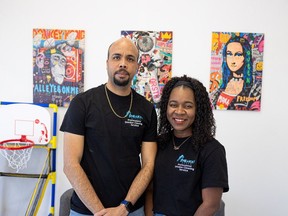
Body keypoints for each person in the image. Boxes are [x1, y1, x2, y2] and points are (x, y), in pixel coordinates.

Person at [60, 37, 158, 216]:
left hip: (131, 209)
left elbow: (149, 165)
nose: (122, 64)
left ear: (137, 66)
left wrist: (124, 207)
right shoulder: (82, 103)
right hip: (87, 210)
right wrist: (100, 212)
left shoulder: (147, 109)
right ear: (107, 63)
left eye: (129, 59)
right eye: (116, 57)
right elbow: (70, 164)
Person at [145, 75, 229, 216]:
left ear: (198, 109)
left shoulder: (212, 150)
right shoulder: (159, 143)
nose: (179, 111)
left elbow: (211, 205)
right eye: (173, 104)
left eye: (188, 106)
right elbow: (149, 190)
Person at [210, 35, 261, 110]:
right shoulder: (219, 89)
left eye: (238, 54)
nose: (233, 60)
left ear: (245, 57)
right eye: (229, 54)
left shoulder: (254, 89)